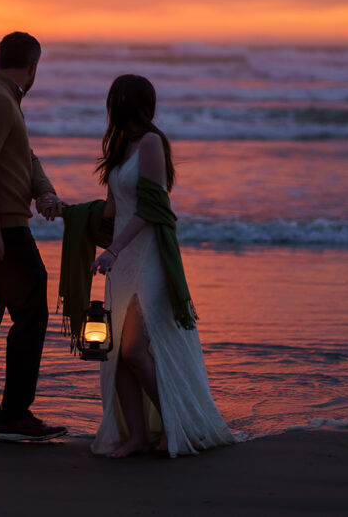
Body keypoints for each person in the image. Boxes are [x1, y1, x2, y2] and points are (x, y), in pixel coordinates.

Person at [89, 74, 235, 458]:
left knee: (134, 349)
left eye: (115, 99)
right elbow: (114, 208)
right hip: (121, 262)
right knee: (116, 351)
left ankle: (178, 424)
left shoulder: (152, 143)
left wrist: (114, 250)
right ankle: (138, 437)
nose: (111, 106)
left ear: (128, 103)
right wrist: (66, 213)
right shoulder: (123, 146)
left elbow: (154, 209)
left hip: (147, 259)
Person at [0, 31, 68, 442]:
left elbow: (25, 156)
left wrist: (45, 191)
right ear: (33, 66)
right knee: (29, 313)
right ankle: (14, 415)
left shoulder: (3, 99)